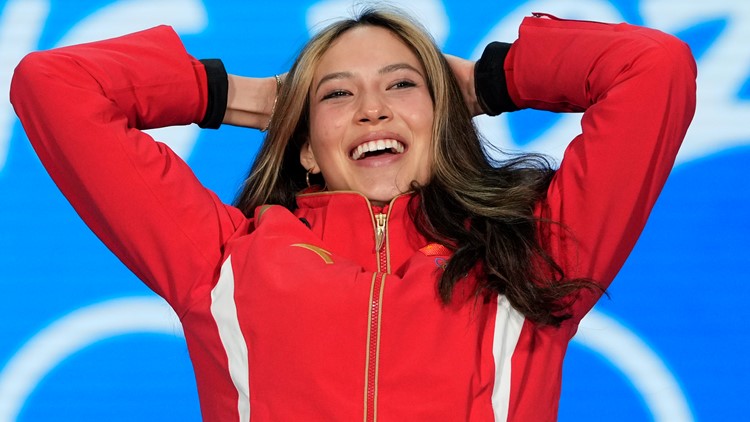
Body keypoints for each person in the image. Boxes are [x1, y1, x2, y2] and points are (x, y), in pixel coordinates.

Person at [9, 6, 696, 422]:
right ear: (305, 145)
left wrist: (492, 81)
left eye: (403, 85)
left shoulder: (531, 257)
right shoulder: (224, 262)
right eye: (338, 95)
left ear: (444, 121)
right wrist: (245, 97)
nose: (374, 108)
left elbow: (655, 68)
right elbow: (53, 86)